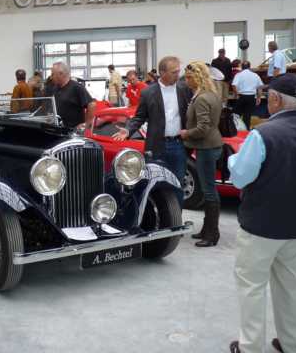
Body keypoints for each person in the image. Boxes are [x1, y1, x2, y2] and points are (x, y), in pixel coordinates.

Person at [227, 73, 296, 353]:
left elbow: (240, 177)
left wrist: (234, 159)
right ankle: (294, 344)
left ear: (276, 99)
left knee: (252, 286)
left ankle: (251, 347)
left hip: (261, 226)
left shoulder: (263, 134)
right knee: (292, 285)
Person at [113, 56, 192, 202]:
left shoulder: (184, 89)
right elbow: (139, 117)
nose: (178, 75)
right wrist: (128, 130)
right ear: (162, 73)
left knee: (178, 185)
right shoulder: (148, 92)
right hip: (157, 146)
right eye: (174, 72)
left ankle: (177, 215)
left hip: (178, 145)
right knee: (155, 186)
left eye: (178, 71)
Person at [179, 62, 223, 247]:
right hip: (211, 145)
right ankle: (207, 229)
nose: (186, 81)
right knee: (208, 189)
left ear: (198, 77)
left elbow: (203, 128)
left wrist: (186, 133)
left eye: (189, 77)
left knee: (209, 191)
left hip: (206, 147)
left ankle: (212, 234)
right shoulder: (211, 94)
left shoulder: (202, 98)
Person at [50, 62, 95, 129]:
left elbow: (91, 105)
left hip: (73, 131)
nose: (51, 77)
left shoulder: (76, 87)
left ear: (61, 74)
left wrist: (86, 124)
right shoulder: (55, 88)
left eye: (53, 74)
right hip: (60, 129)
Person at [231, 61, 263, 130]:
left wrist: (236, 94)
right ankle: (246, 131)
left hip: (241, 96)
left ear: (241, 67)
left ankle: (235, 130)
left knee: (236, 115)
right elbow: (260, 87)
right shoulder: (255, 75)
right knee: (247, 116)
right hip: (252, 97)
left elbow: (234, 85)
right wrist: (259, 98)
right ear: (249, 67)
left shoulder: (239, 75)